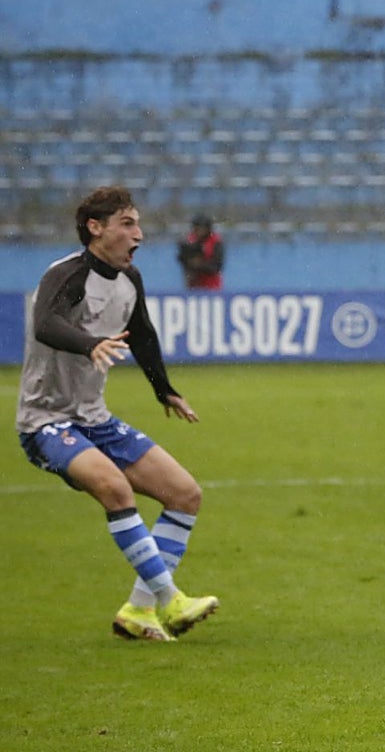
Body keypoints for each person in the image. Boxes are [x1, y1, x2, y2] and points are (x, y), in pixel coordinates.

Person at [16, 186, 219, 642]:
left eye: (138, 224)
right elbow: (46, 324)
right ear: (96, 228)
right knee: (115, 487)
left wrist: (164, 390)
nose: (139, 234)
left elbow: (142, 334)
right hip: (47, 419)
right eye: (127, 224)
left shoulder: (130, 280)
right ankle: (170, 600)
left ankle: (138, 611)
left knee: (185, 494)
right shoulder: (65, 275)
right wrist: (91, 344)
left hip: (95, 418)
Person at [177, 214, 224, 290]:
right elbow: (181, 258)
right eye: (196, 228)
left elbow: (217, 267)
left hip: (212, 285)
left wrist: (200, 264)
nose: (198, 231)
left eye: (201, 228)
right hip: (193, 284)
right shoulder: (189, 241)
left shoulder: (215, 242)